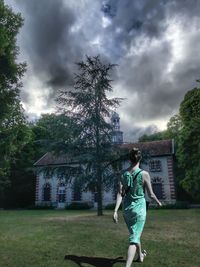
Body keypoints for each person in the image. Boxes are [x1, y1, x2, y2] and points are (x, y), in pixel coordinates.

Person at [113, 148, 162, 267]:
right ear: (140, 159)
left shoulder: (123, 174)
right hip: (139, 209)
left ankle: (140, 256)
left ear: (129, 159)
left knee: (135, 233)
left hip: (127, 210)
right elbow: (151, 194)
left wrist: (115, 211)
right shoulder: (144, 174)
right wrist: (158, 202)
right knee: (134, 239)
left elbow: (120, 194)